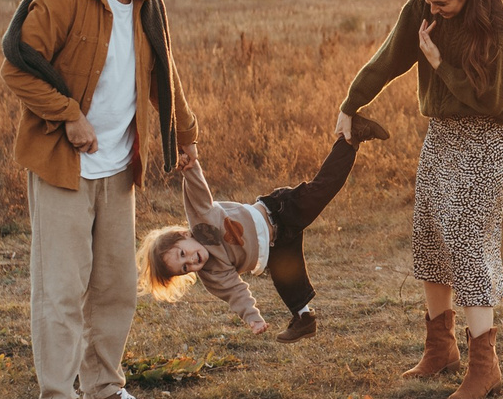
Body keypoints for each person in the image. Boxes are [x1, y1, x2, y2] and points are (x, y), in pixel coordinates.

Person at [0, 0, 197, 399]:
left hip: (119, 167)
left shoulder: (147, 8)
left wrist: (186, 135)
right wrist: (68, 115)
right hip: (64, 167)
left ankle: (103, 391)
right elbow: (16, 68)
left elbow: (165, 77)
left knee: (115, 287)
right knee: (61, 290)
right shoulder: (63, 0)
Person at [337, 0, 503, 399]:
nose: (432, 9)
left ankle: (485, 364)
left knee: (464, 234)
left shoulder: (497, 22)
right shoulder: (424, 4)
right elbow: (391, 56)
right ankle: (440, 348)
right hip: (443, 130)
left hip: (485, 135)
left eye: (442, 3)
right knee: (429, 232)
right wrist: (350, 104)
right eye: (427, 0)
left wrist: (441, 64)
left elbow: (496, 105)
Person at [137, 114, 392, 337]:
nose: (192, 261)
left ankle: (350, 137)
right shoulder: (212, 275)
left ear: (183, 234)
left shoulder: (202, 221)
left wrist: (188, 166)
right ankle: (304, 319)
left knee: (323, 188)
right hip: (275, 246)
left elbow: (197, 191)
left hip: (278, 212)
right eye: (185, 268)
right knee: (288, 279)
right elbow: (235, 293)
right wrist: (253, 318)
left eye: (184, 253)